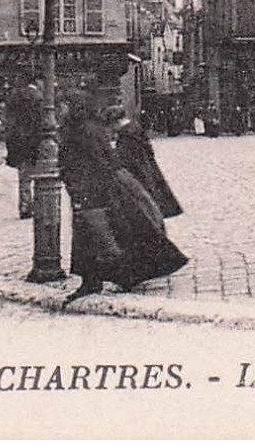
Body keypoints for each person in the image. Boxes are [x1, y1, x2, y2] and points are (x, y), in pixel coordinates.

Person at [61, 102, 188, 303]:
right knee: (119, 230)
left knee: (99, 235)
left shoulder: (83, 133)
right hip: (110, 188)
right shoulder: (94, 131)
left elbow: (98, 162)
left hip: (93, 191)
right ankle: (106, 278)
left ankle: (107, 277)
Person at [114, 105, 182, 219]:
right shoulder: (134, 129)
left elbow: (127, 159)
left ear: (115, 122)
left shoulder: (126, 135)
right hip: (147, 167)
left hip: (139, 171)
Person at [6, 78, 44, 219]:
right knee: (40, 177)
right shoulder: (39, 98)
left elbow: (10, 122)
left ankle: (25, 206)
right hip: (36, 142)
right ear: (38, 82)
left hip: (19, 142)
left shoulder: (15, 96)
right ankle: (37, 206)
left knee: (24, 177)